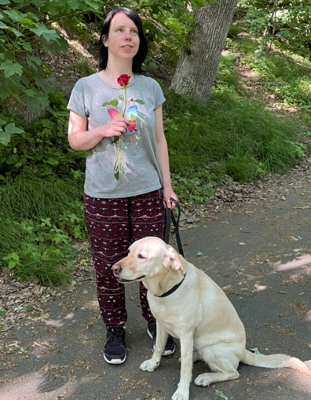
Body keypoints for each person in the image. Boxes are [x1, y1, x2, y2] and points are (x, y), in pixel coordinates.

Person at [66, 6, 178, 365]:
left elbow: (159, 141)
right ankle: (115, 328)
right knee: (109, 266)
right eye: (120, 30)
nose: (128, 36)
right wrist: (100, 130)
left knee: (153, 266)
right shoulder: (86, 87)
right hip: (103, 196)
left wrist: (167, 188)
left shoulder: (150, 87)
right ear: (105, 39)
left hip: (147, 192)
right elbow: (75, 140)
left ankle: (156, 321)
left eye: (134, 31)